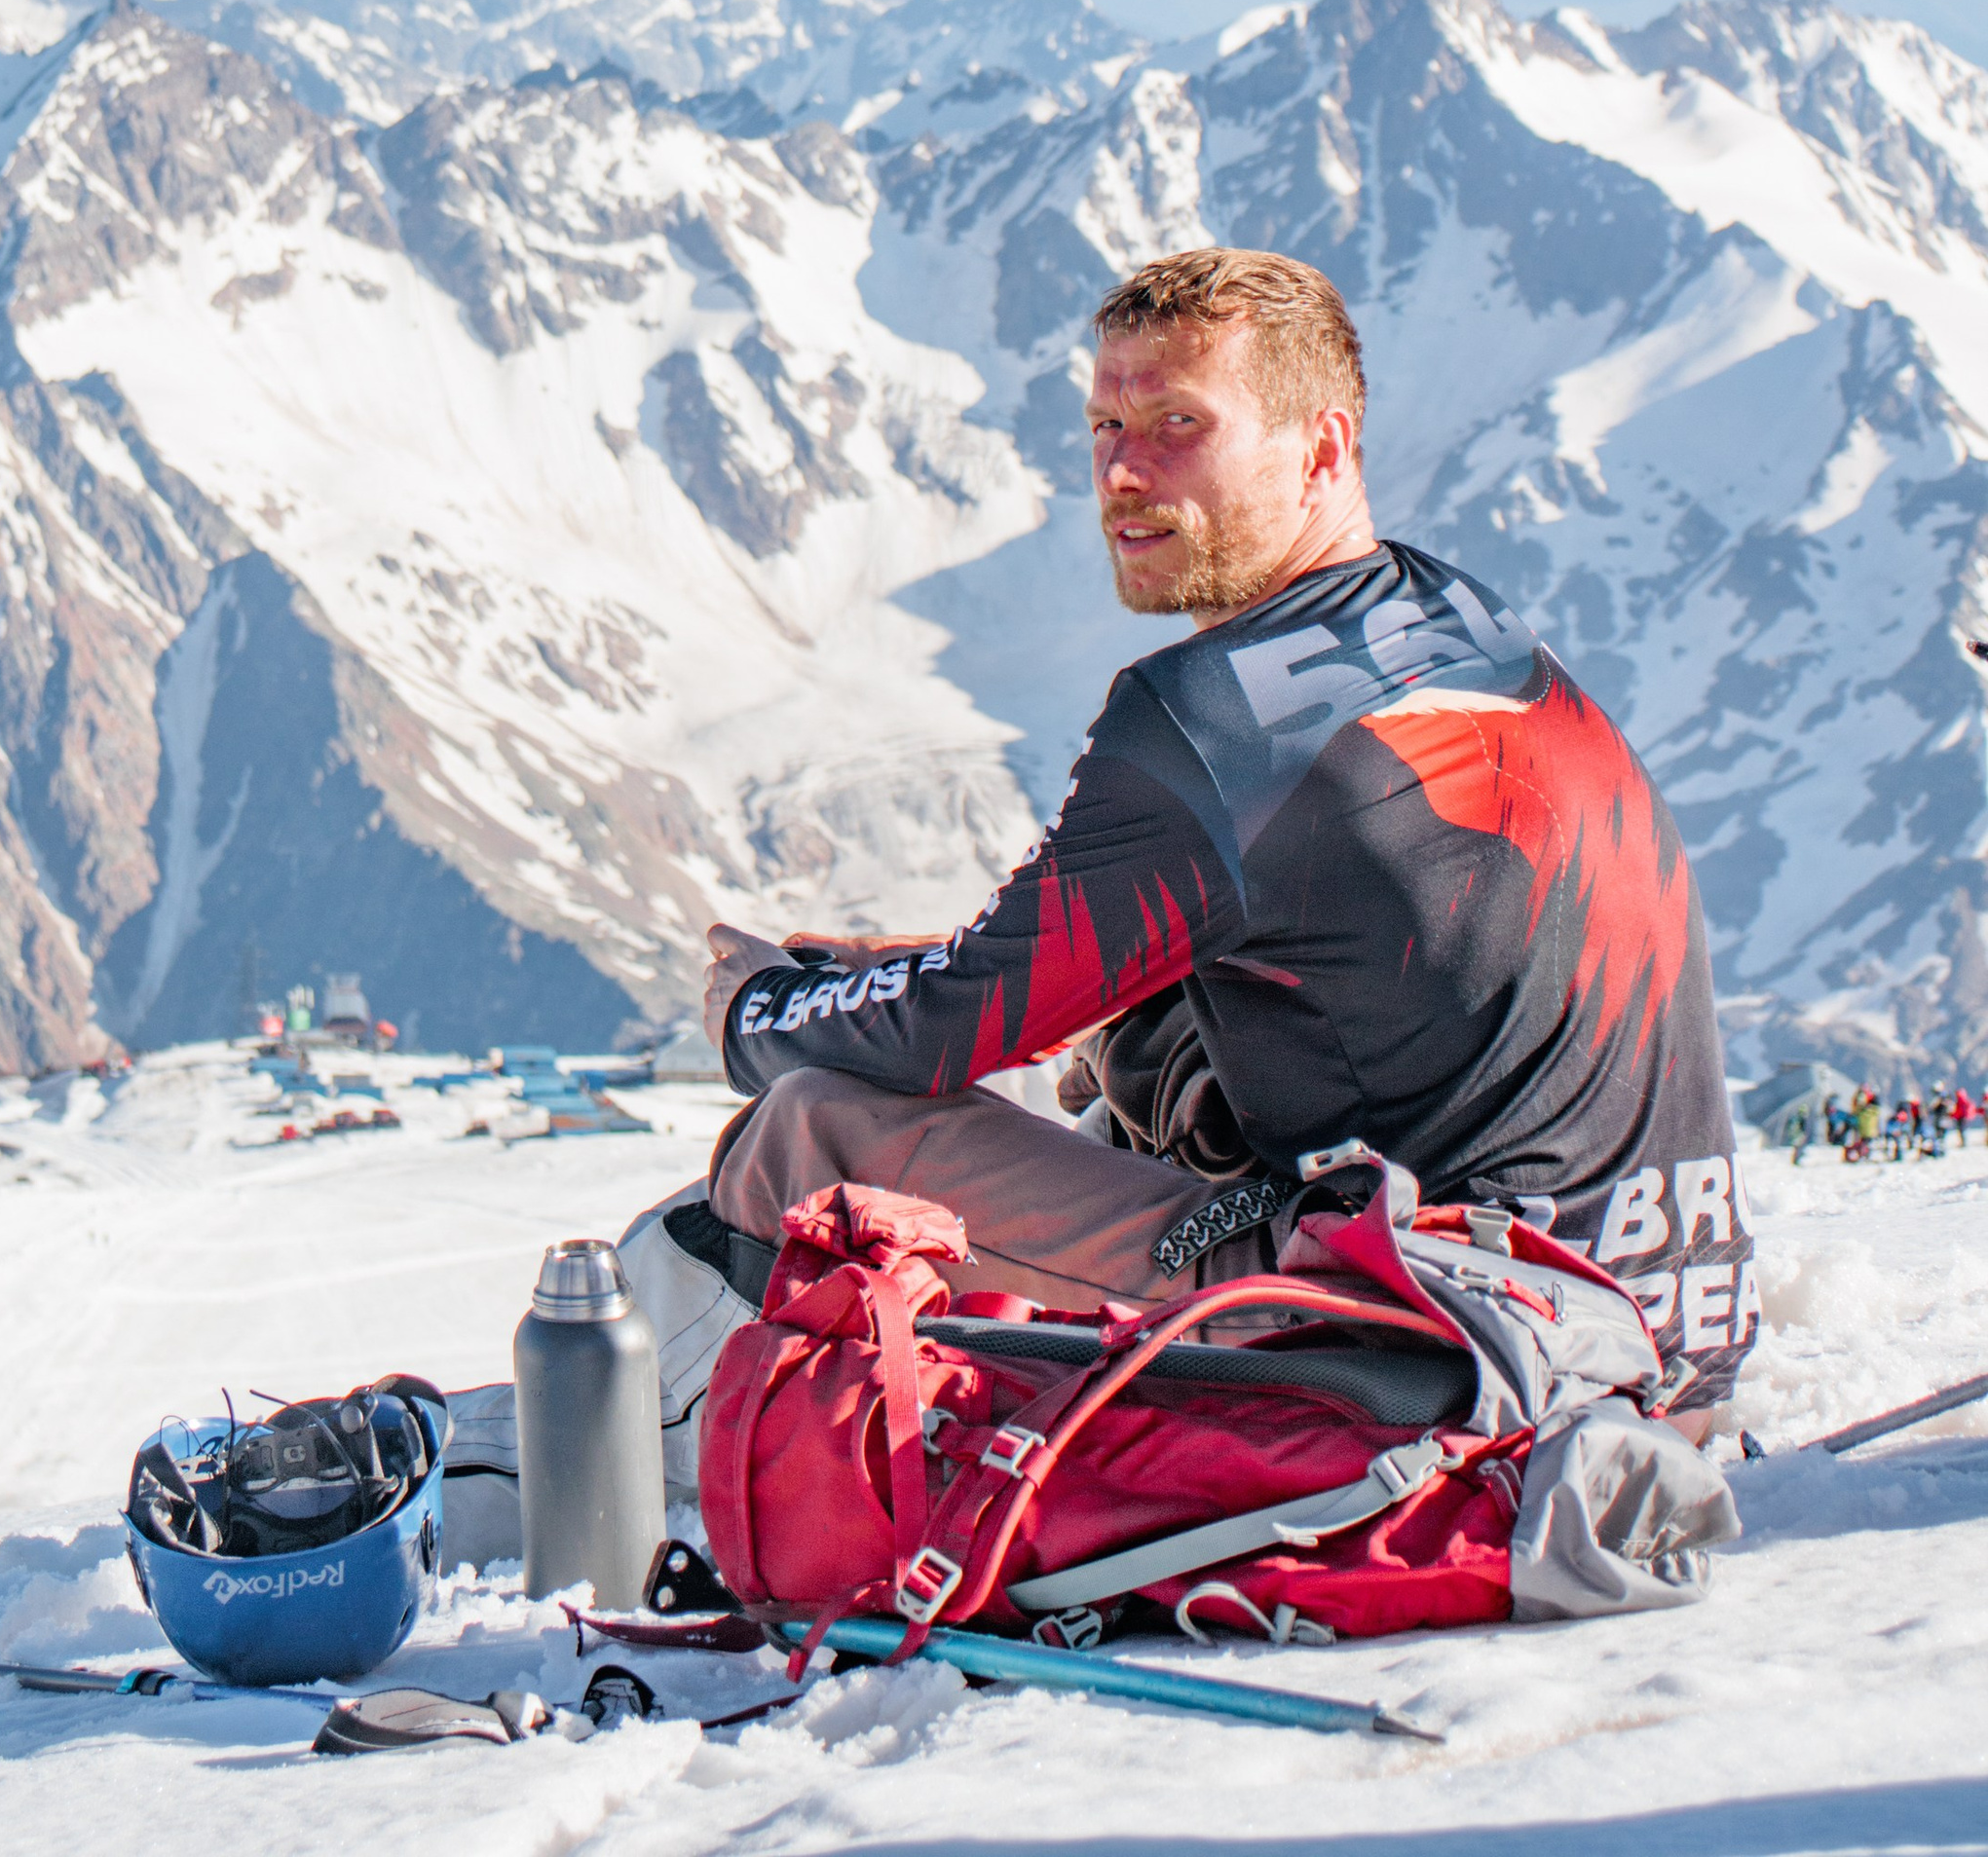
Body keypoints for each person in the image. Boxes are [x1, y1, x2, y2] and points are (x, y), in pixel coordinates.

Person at [685, 248, 1757, 1416]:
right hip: (1662, 1328)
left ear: (1324, 448)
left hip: (1450, 1358)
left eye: (1177, 423)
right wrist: (906, 976)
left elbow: (955, 1028)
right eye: (1104, 425)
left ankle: (690, 1463)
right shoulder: (1450, 613)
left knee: (814, 1127)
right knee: (1135, 1027)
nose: (1121, 471)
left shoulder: (1211, 723)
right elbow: (1052, 965)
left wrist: (757, 1014)